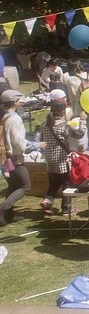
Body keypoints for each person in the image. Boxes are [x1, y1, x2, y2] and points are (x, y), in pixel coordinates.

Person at [40, 102, 87, 216]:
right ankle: (66, 208)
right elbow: (79, 134)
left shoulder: (44, 124)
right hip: (61, 158)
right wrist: (83, 120)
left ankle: (47, 200)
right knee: (67, 183)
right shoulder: (62, 125)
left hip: (50, 158)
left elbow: (42, 139)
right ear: (62, 111)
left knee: (54, 182)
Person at [0, 91, 30, 227]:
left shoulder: (3, 116)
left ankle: (8, 216)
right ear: (14, 102)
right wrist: (26, 150)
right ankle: (3, 208)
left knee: (12, 185)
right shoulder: (15, 119)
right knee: (25, 186)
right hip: (13, 159)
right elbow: (18, 142)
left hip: (4, 158)